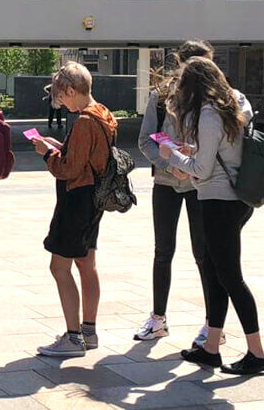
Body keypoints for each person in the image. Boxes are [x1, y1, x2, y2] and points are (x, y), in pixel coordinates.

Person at [158, 57, 263, 374]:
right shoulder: (232, 104)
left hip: (218, 201)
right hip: (233, 199)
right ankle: (211, 348)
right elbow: (219, 154)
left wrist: (172, 155)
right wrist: (191, 152)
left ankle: (257, 353)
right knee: (219, 276)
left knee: (230, 277)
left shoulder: (207, 113)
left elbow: (202, 170)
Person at [135, 40, 218, 346]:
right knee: (162, 252)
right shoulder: (161, 97)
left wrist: (194, 162)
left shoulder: (214, 99)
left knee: (204, 254)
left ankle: (213, 325)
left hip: (201, 185)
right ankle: (158, 319)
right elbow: (146, 140)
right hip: (168, 184)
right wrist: (170, 166)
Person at [34, 62, 117, 357]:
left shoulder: (83, 121)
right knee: (86, 265)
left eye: (61, 96)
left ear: (71, 90)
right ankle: (89, 331)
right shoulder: (103, 114)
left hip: (75, 201)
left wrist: (48, 155)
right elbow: (87, 156)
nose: (60, 103)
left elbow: (69, 169)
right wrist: (62, 146)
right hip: (94, 200)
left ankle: (72, 338)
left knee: (59, 267)